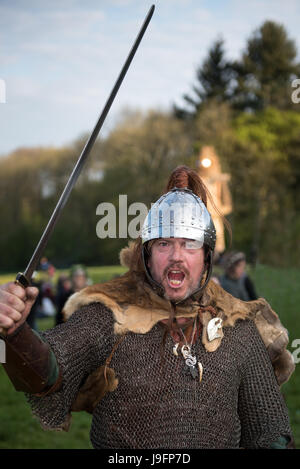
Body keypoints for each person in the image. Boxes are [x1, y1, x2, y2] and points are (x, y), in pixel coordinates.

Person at [0, 166, 295, 449]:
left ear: (206, 256)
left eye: (189, 243)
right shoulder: (109, 316)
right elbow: (46, 375)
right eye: (164, 244)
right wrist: (14, 334)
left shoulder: (238, 327)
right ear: (147, 254)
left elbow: (269, 433)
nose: (177, 256)